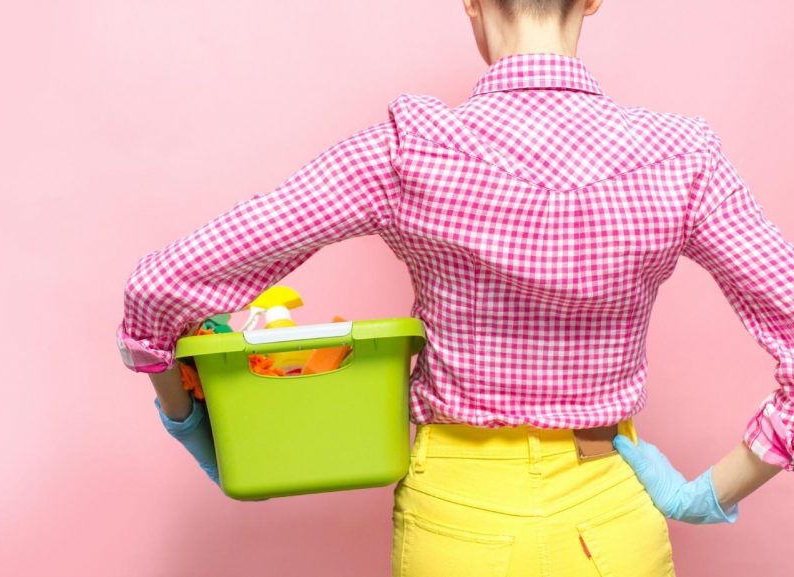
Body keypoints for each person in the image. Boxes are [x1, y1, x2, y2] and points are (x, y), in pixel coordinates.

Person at [118, 0, 794, 573]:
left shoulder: (407, 149)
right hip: (613, 519)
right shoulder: (681, 158)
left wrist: (198, 426)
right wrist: (705, 493)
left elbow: (158, 289)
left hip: (455, 519)